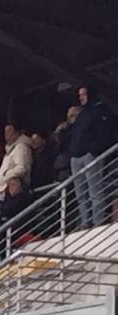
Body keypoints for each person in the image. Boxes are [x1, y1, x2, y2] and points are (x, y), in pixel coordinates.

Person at [71, 85, 115, 228]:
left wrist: (93, 150)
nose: (81, 97)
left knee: (94, 190)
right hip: (76, 157)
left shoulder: (100, 111)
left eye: (83, 94)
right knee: (81, 194)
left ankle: (98, 221)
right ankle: (86, 222)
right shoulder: (82, 114)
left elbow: (105, 133)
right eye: (79, 95)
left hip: (90, 156)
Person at [0, 123, 33, 197]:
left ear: (17, 133)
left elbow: (22, 168)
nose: (6, 135)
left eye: (9, 131)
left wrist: (6, 174)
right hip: (4, 191)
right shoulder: (10, 149)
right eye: (5, 132)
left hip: (13, 191)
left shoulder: (21, 147)